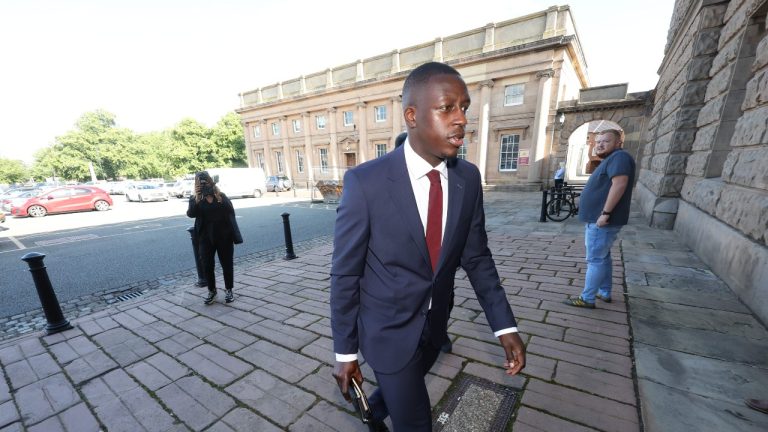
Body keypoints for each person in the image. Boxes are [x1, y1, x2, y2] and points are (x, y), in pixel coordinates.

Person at [331, 62, 526, 432]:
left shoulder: (467, 178)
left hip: (434, 328)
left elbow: (477, 257)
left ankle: (372, 413)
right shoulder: (365, 182)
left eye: (464, 108)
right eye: (447, 107)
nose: (461, 120)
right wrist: (345, 352)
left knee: (396, 394)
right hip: (386, 331)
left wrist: (504, 326)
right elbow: (345, 273)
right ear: (412, 116)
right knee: (417, 421)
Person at [564, 129, 635, 308]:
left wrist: (605, 214)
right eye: (598, 142)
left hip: (601, 220)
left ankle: (587, 298)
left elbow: (620, 184)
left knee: (595, 259)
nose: (600, 144)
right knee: (603, 257)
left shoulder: (619, 158)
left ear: (618, 142)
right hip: (600, 219)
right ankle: (604, 291)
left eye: (606, 141)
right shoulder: (613, 159)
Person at [187, 171, 243, 305]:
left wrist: (217, 193)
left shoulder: (220, 196)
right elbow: (191, 214)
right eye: (200, 182)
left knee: (227, 264)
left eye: (205, 181)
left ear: (210, 181)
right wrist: (197, 197)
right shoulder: (195, 198)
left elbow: (230, 211)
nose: (203, 184)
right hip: (205, 238)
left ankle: (229, 289)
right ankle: (212, 290)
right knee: (207, 265)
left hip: (224, 236)